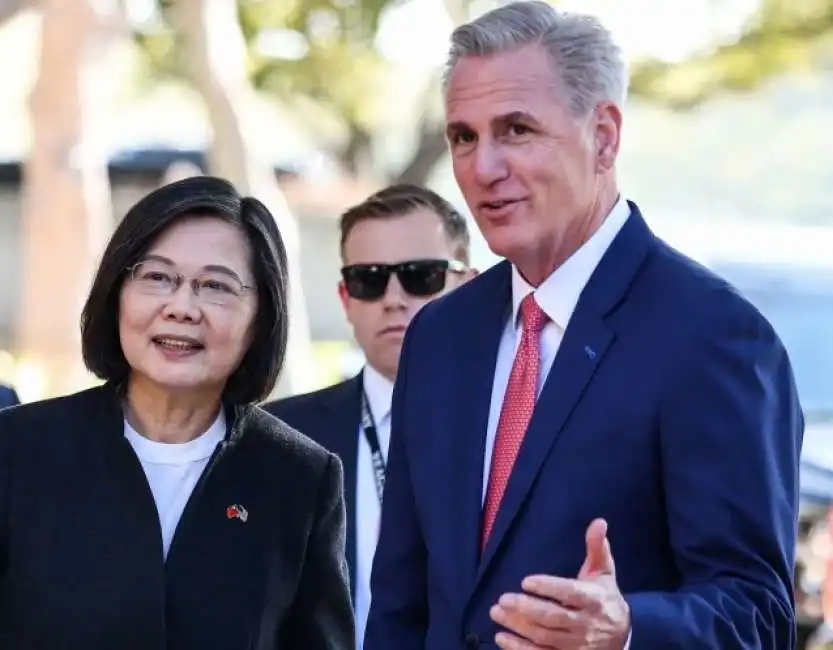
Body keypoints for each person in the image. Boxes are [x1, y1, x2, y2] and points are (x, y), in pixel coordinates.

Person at [364, 3, 803, 650]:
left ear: (603, 136)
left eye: (515, 130)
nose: (482, 168)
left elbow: (755, 613)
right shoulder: (439, 337)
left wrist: (625, 629)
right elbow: (402, 606)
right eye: (463, 136)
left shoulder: (715, 338)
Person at [0, 176, 353, 650]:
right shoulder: (18, 449)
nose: (181, 307)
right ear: (116, 292)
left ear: (260, 318)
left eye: (215, 286)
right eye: (157, 277)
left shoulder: (299, 478)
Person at [264, 183, 475, 648]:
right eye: (369, 279)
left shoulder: (523, 426)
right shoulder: (276, 438)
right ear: (345, 299)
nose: (394, 298)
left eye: (422, 276)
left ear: (469, 285)